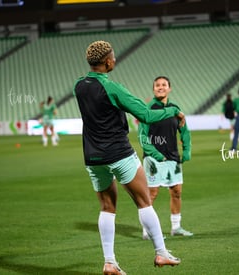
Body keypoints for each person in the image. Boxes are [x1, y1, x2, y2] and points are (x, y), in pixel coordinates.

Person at [73, 40, 182, 275]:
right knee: (144, 201)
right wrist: (174, 110)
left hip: (92, 156)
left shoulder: (79, 86)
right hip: (119, 152)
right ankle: (161, 253)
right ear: (108, 61)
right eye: (113, 57)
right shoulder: (113, 88)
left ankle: (109, 262)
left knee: (107, 207)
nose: (115, 60)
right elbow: (145, 115)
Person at [138, 76, 193, 241]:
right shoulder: (147, 109)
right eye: (157, 85)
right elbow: (142, 137)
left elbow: (184, 131)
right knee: (151, 194)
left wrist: (187, 150)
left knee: (176, 191)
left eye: (164, 85)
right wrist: (156, 154)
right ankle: (146, 230)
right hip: (153, 159)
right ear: (153, 89)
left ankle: (176, 227)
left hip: (172, 158)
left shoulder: (176, 109)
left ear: (170, 88)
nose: (160, 87)